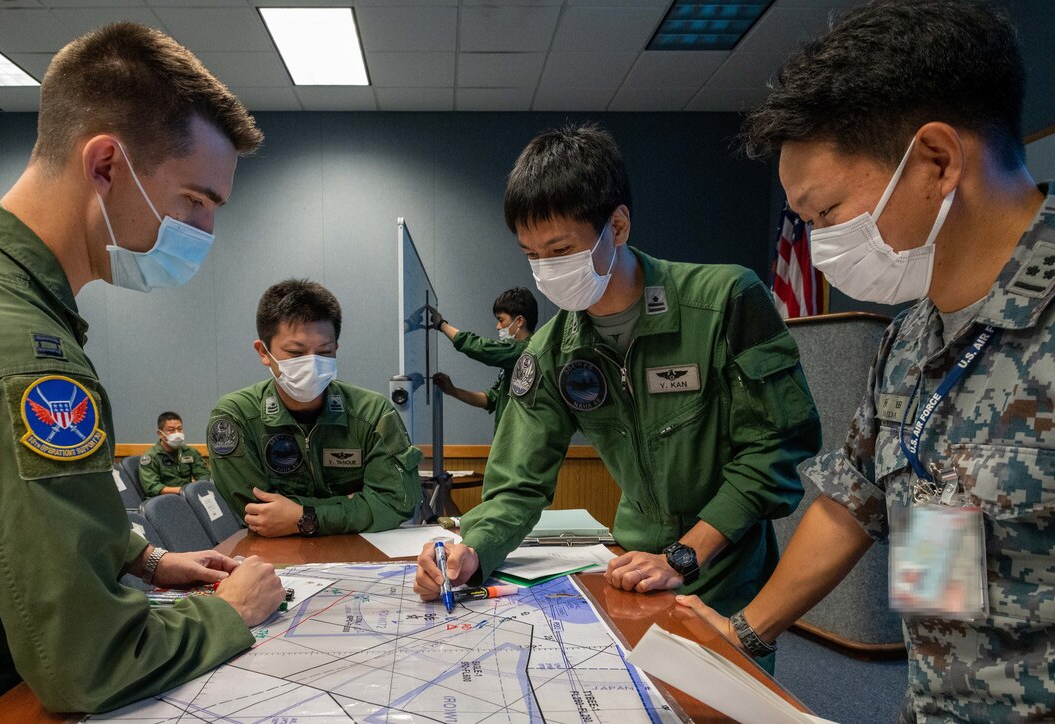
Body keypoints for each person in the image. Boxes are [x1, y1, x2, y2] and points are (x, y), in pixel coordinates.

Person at [674, 1, 1055, 719]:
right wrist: (745, 629)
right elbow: (854, 501)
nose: (819, 243)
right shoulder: (909, 338)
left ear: (936, 162)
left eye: (823, 214)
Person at [413, 123, 822, 672]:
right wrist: (471, 552)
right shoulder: (553, 349)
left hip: (725, 571)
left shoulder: (724, 299)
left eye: (561, 249)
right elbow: (517, 485)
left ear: (619, 225)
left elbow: (776, 447)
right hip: (633, 570)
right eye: (533, 255)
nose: (547, 271)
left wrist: (685, 555)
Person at [0, 23, 285, 716]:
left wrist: (142, 557)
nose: (204, 232)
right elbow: (86, 659)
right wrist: (227, 614)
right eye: (196, 200)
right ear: (106, 165)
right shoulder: (25, 357)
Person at [208, 279, 423, 537]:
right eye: (295, 353)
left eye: (324, 352)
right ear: (263, 352)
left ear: (336, 349)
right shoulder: (236, 416)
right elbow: (261, 514)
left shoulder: (372, 412)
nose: (312, 364)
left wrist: (305, 516)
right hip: (277, 558)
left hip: (361, 554)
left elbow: (396, 503)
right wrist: (355, 504)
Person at [429, 287, 539, 432]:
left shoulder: (526, 352)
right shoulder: (512, 361)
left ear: (519, 321)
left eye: (501, 320)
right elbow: (491, 399)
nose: (498, 327)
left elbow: (481, 348)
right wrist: (453, 391)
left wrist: (442, 325)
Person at [138, 411, 211, 496]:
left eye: (179, 429)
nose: (177, 433)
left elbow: (203, 475)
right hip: (164, 501)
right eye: (171, 430)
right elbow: (152, 487)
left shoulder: (190, 452)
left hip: (188, 497)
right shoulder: (151, 457)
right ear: (160, 434)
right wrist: (184, 490)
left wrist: (198, 487)